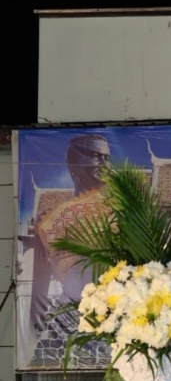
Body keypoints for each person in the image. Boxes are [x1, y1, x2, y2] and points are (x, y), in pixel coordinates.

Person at [29, 134, 112, 332]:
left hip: (120, 318)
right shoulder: (50, 220)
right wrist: (34, 325)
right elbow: (39, 283)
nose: (104, 164)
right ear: (73, 163)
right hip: (70, 320)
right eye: (96, 156)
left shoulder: (123, 210)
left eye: (107, 158)